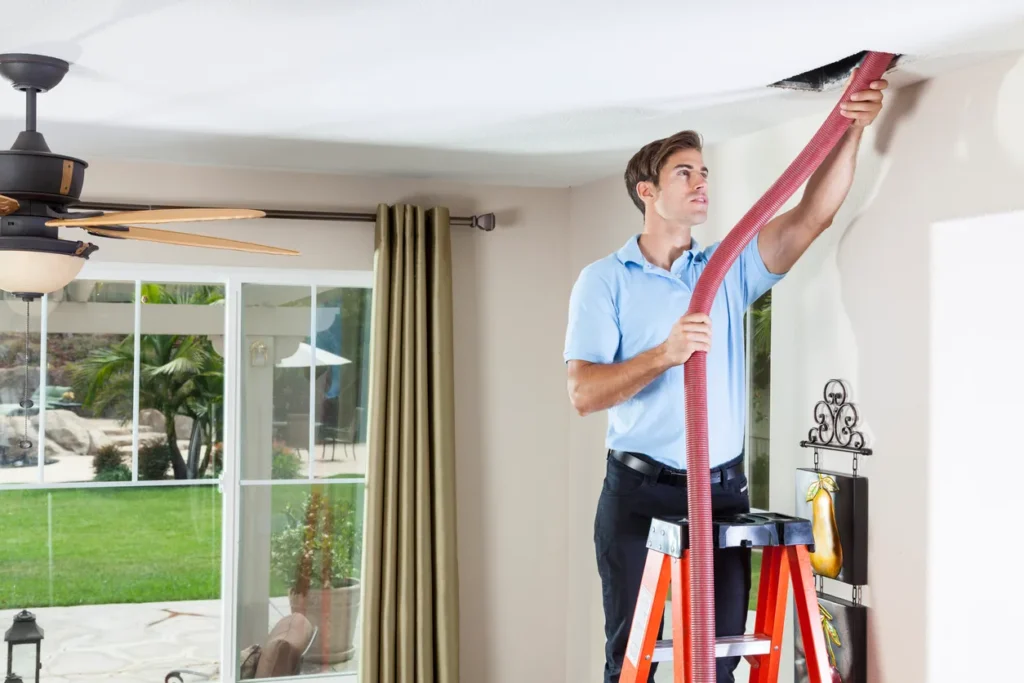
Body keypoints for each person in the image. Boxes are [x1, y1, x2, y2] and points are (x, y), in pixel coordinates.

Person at [563, 70, 887, 683]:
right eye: (684, 172)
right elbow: (583, 394)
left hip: (721, 496)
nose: (701, 182)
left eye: (704, 171)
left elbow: (811, 215)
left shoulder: (726, 267)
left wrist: (852, 130)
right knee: (633, 661)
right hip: (640, 496)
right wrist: (665, 354)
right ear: (646, 192)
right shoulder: (605, 280)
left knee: (724, 659)